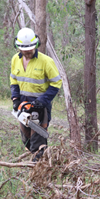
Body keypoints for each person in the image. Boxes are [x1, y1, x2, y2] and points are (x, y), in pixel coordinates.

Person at [10, 27, 62, 162]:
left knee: (38, 143)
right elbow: (14, 80)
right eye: (24, 51)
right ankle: (38, 161)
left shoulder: (46, 61)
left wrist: (41, 101)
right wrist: (15, 99)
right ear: (18, 47)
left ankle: (39, 170)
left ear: (36, 45)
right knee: (26, 140)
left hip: (40, 106)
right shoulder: (15, 59)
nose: (27, 53)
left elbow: (56, 83)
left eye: (30, 50)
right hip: (23, 105)